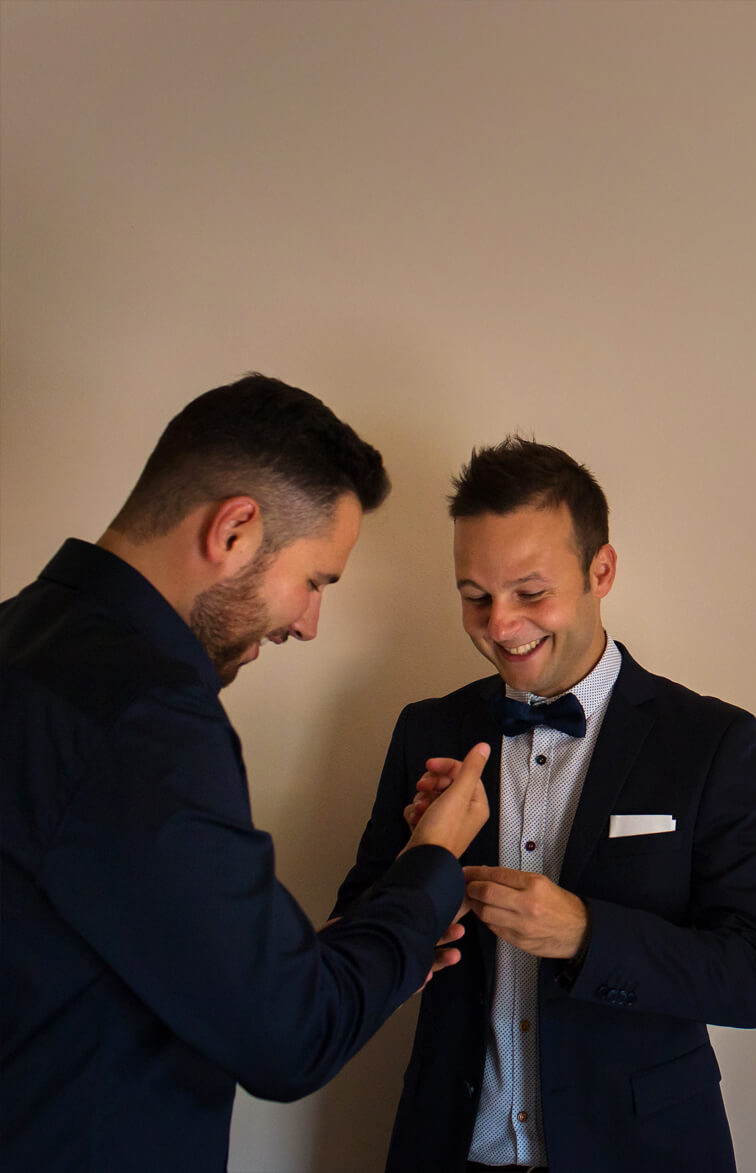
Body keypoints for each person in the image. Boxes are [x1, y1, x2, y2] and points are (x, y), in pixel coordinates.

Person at [0, 375, 491, 1171]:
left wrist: (344, 951)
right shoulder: (148, 716)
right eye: (314, 581)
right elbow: (292, 1036)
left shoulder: (20, 638)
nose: (309, 622)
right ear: (234, 529)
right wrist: (430, 867)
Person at [332, 437, 756, 1173]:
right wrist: (420, 872)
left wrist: (586, 934)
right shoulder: (427, 730)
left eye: (530, 592)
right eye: (475, 596)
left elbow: (755, 976)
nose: (500, 625)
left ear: (600, 571)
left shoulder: (708, 740)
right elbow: (354, 942)